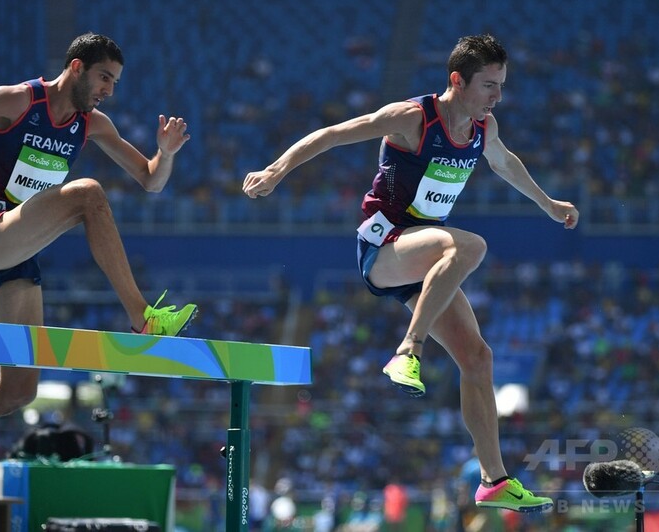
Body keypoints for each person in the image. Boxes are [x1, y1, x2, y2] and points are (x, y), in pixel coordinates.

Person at [243, 34, 577, 512]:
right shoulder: (413, 118)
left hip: (426, 259)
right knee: (469, 245)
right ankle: (407, 349)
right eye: (488, 85)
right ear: (457, 81)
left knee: (478, 358)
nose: (497, 96)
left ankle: (494, 479)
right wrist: (276, 170)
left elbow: (505, 163)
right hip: (382, 245)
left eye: (501, 86)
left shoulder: (485, 127)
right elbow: (333, 133)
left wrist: (548, 204)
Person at [0, 32, 197, 517]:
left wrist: (166, 153)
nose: (110, 89)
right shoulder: (19, 100)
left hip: (19, 250)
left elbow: (150, 179)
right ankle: (142, 318)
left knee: (17, 389)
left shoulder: (91, 123)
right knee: (87, 193)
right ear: (76, 68)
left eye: (115, 81)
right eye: (105, 77)